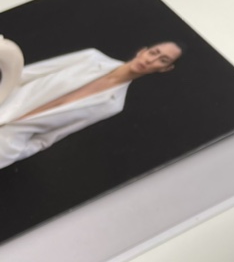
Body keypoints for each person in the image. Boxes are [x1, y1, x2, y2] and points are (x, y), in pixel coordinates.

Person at [0, 42, 183, 169]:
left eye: (163, 60)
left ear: (165, 69)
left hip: (6, 146)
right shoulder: (90, 58)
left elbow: (49, 138)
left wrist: (16, 152)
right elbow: (23, 74)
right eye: (153, 52)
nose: (151, 60)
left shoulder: (113, 104)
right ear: (142, 51)